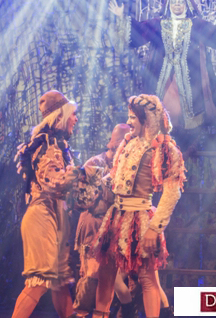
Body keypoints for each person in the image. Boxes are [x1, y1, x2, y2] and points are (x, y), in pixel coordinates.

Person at [92, 94, 186, 318]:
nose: (129, 122)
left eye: (133, 117)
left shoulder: (163, 149)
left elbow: (172, 192)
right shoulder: (128, 143)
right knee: (106, 275)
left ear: (147, 120)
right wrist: (91, 183)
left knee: (147, 278)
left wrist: (155, 228)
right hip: (116, 217)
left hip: (140, 218)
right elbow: (115, 177)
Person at [109, 0, 216, 132]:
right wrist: (121, 17)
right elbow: (137, 32)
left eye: (181, 1)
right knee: (163, 115)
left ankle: (189, 142)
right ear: (169, 3)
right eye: (174, 1)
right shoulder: (158, 24)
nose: (177, 4)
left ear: (186, 3)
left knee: (189, 123)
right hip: (163, 79)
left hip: (191, 81)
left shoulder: (197, 25)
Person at [12, 90, 78, 318]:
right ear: (60, 116)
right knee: (39, 282)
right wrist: (79, 175)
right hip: (42, 215)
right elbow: (52, 181)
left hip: (55, 215)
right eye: (73, 114)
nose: (75, 119)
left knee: (60, 283)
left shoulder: (58, 144)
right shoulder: (47, 144)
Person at [73, 124, 135, 318]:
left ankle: (103, 314)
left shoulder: (126, 166)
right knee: (90, 279)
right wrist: (105, 179)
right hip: (93, 226)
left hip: (112, 229)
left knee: (108, 281)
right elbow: (82, 201)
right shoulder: (96, 163)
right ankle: (81, 314)